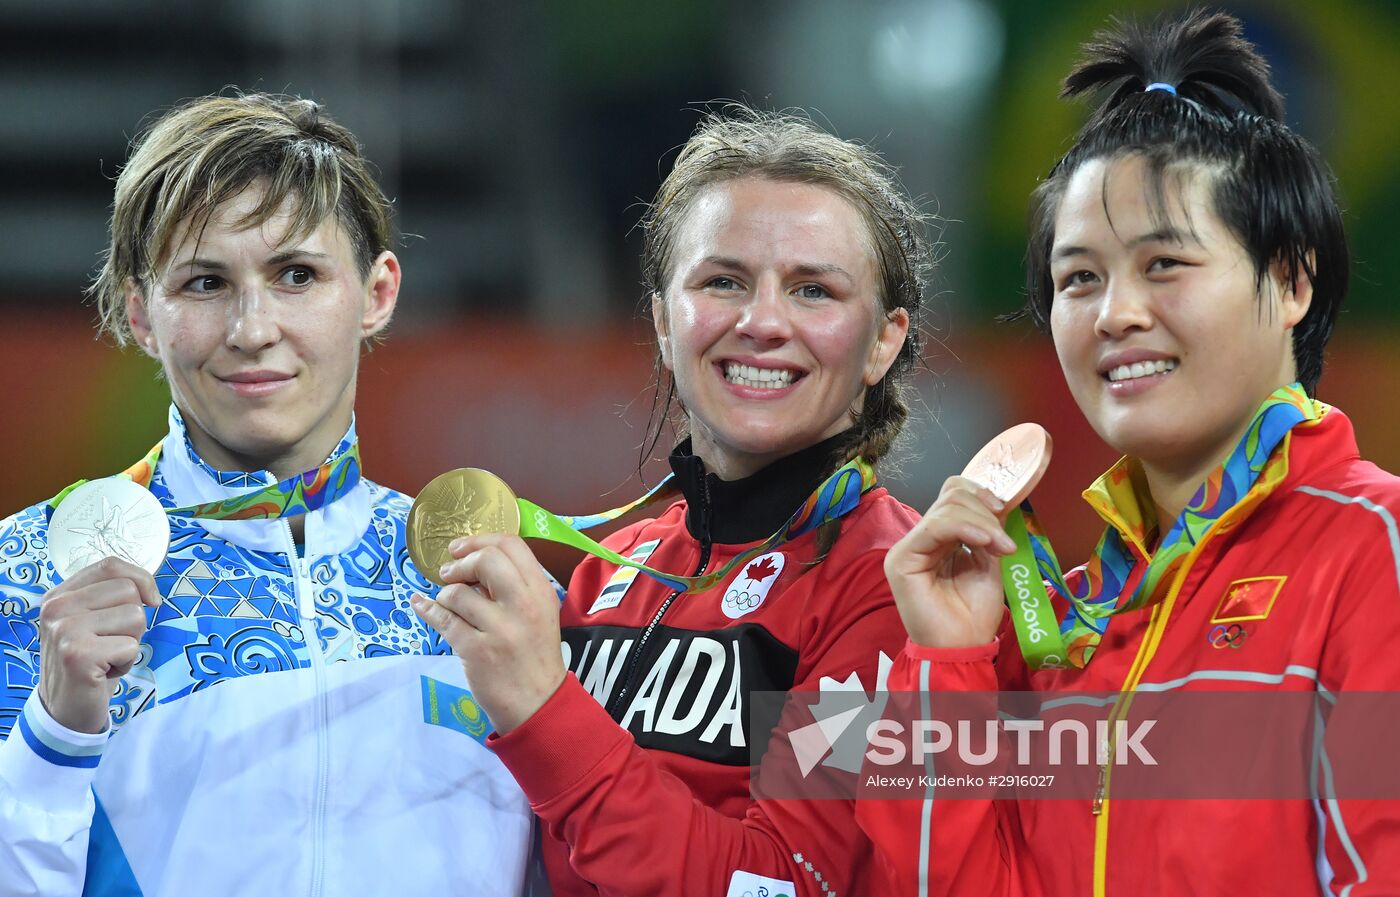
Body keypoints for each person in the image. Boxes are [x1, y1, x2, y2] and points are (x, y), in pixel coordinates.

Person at [859, 10, 1400, 896]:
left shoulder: (1372, 543)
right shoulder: (1061, 625)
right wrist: (950, 662)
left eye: (1164, 264)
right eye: (1079, 278)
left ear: (1292, 279)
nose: (1114, 314)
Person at [0, 93, 531, 896]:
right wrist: (50, 737)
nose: (252, 328)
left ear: (377, 292)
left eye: (296, 275)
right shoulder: (20, 581)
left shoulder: (500, 597)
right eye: (206, 282)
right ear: (144, 314)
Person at [412, 107, 935, 895]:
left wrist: (545, 707)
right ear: (663, 320)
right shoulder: (610, 573)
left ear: (884, 341)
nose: (762, 321)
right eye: (723, 281)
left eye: (813, 290)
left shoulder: (893, 590)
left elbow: (782, 883)